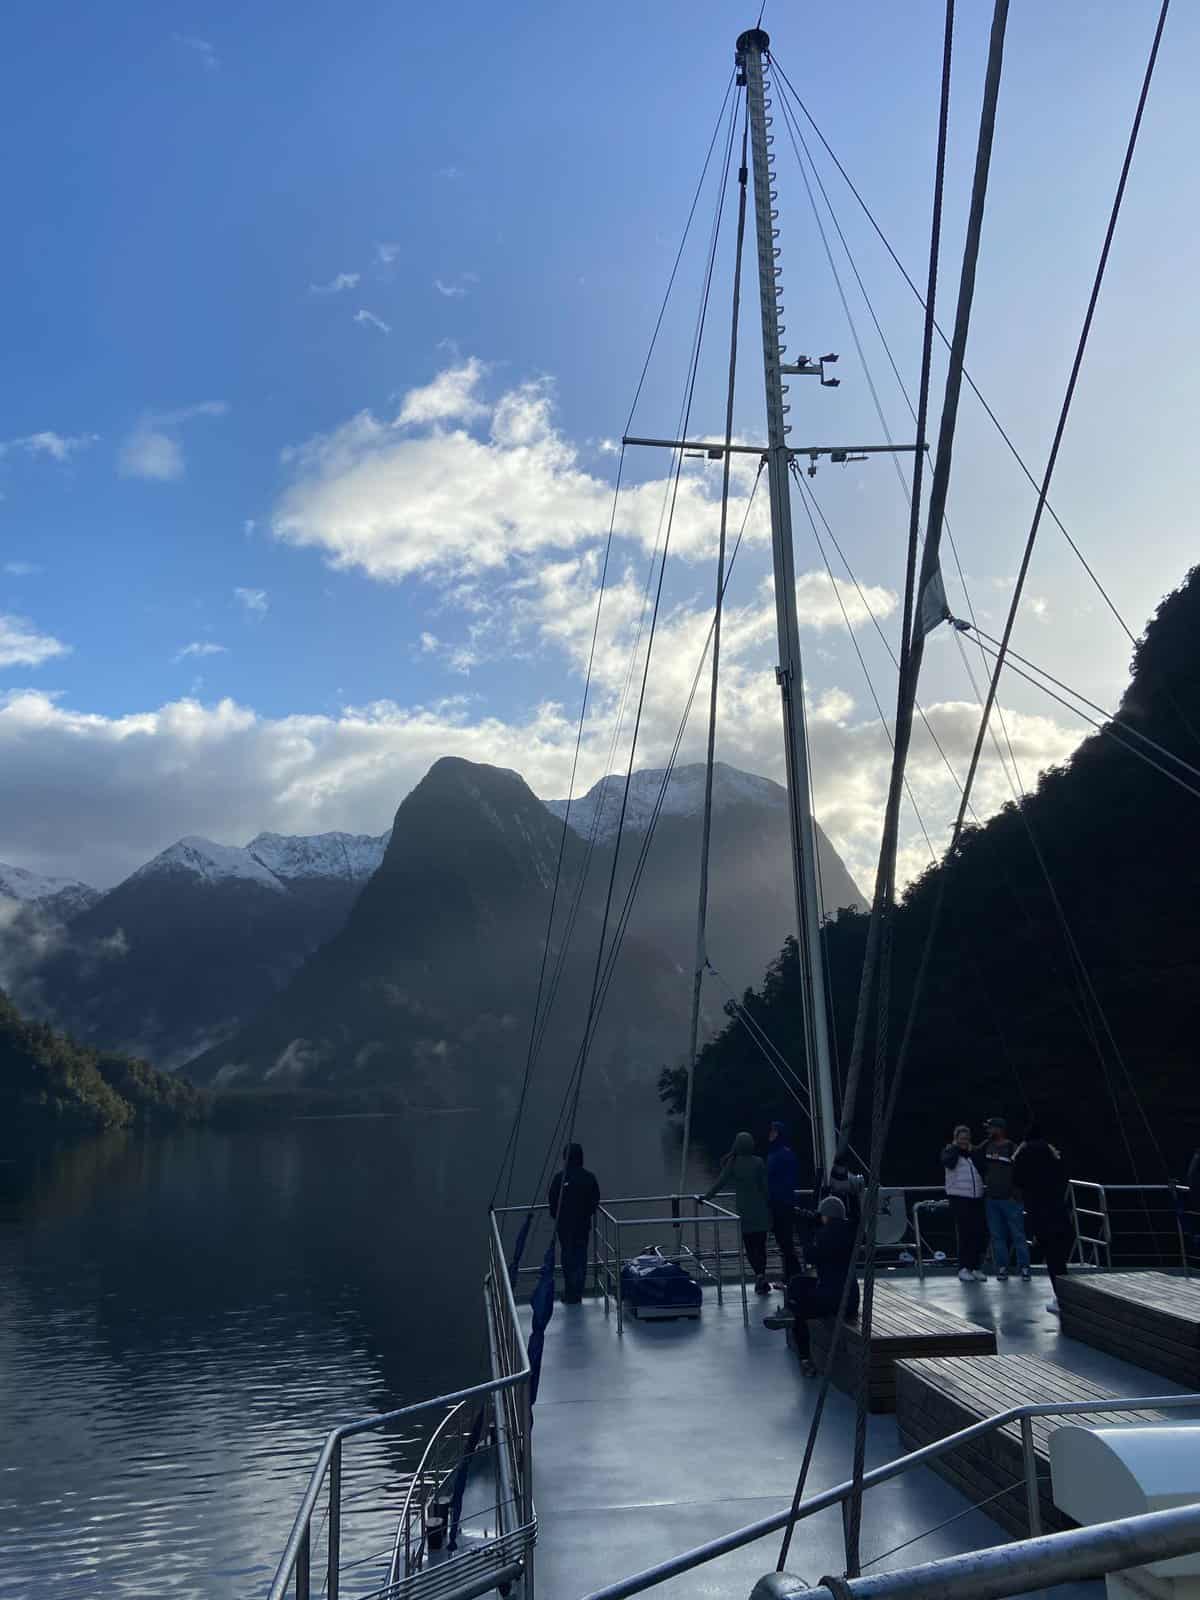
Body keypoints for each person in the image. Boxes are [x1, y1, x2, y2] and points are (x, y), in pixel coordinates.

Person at [787, 1195, 860, 1377]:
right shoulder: (851, 1231)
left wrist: (805, 1232)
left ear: (826, 1215)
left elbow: (811, 1258)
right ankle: (791, 1305)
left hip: (833, 1299)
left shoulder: (824, 1235)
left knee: (799, 1312)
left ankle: (805, 1360)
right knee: (796, 1282)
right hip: (851, 1297)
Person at [703, 1131, 771, 1294]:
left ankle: (759, 1276)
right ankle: (762, 1275)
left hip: (745, 1213)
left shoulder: (733, 1163)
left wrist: (706, 1197)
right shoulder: (759, 1162)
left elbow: (720, 1183)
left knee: (750, 1247)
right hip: (761, 1211)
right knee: (761, 1246)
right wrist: (770, 1208)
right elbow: (765, 1189)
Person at [1014, 1125, 1072, 1314]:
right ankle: (1064, 1296)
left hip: (1039, 1212)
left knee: (1052, 1258)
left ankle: (1061, 1299)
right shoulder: (1051, 1153)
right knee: (1059, 1256)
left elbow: (1017, 1179)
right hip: (1058, 1210)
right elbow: (1063, 1175)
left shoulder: (1024, 1153)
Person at [548, 1143, 600, 1304]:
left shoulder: (559, 1179)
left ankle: (570, 1292)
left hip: (564, 1228)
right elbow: (595, 1201)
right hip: (583, 1226)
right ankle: (578, 1292)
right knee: (581, 1258)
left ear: (565, 1158)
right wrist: (586, 1214)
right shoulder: (589, 1178)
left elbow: (552, 1202)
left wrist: (559, 1217)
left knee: (567, 1258)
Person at [981, 1115, 1031, 1281]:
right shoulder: (986, 1146)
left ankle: (1024, 1267)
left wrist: (1016, 1193)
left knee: (1018, 1234)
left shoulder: (1011, 1147)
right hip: (991, 1198)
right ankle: (1002, 1267)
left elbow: (1021, 1172)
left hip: (1010, 1199)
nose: (988, 1130)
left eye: (991, 1127)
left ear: (999, 1129)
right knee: (997, 1236)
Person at [941, 1123, 988, 1282]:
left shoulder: (973, 1153)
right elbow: (949, 1163)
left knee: (978, 1233)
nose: (964, 1141)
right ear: (956, 1139)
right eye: (961, 1138)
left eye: (967, 1138)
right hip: (959, 1197)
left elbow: (982, 1168)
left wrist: (972, 1152)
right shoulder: (950, 1151)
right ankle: (963, 1267)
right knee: (965, 1233)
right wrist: (955, 1148)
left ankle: (975, 1267)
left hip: (976, 1197)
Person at [767, 1120, 801, 1282]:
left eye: (773, 1131)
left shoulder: (780, 1155)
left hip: (781, 1203)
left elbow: (779, 1179)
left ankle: (793, 1275)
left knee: (785, 1241)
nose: (770, 1134)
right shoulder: (782, 1153)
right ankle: (791, 1275)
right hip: (782, 1202)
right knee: (784, 1241)